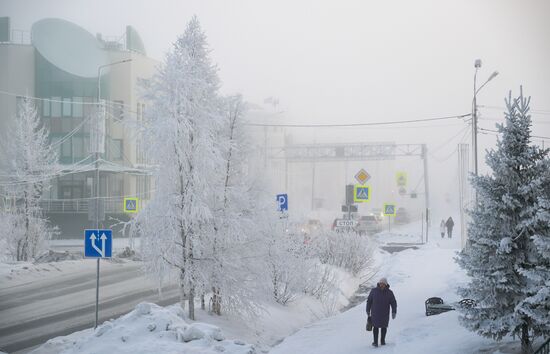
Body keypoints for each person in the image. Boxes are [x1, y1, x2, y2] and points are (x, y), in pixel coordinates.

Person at [366, 277, 397, 347]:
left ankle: (382, 341)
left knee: (384, 327)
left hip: (384, 314)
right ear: (379, 283)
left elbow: (393, 302)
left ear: (386, 284)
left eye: (383, 284)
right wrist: (367, 310)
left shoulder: (389, 293)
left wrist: (394, 311)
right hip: (375, 313)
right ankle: (375, 342)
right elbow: (369, 301)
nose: (381, 285)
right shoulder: (374, 291)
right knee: (375, 327)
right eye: (380, 283)